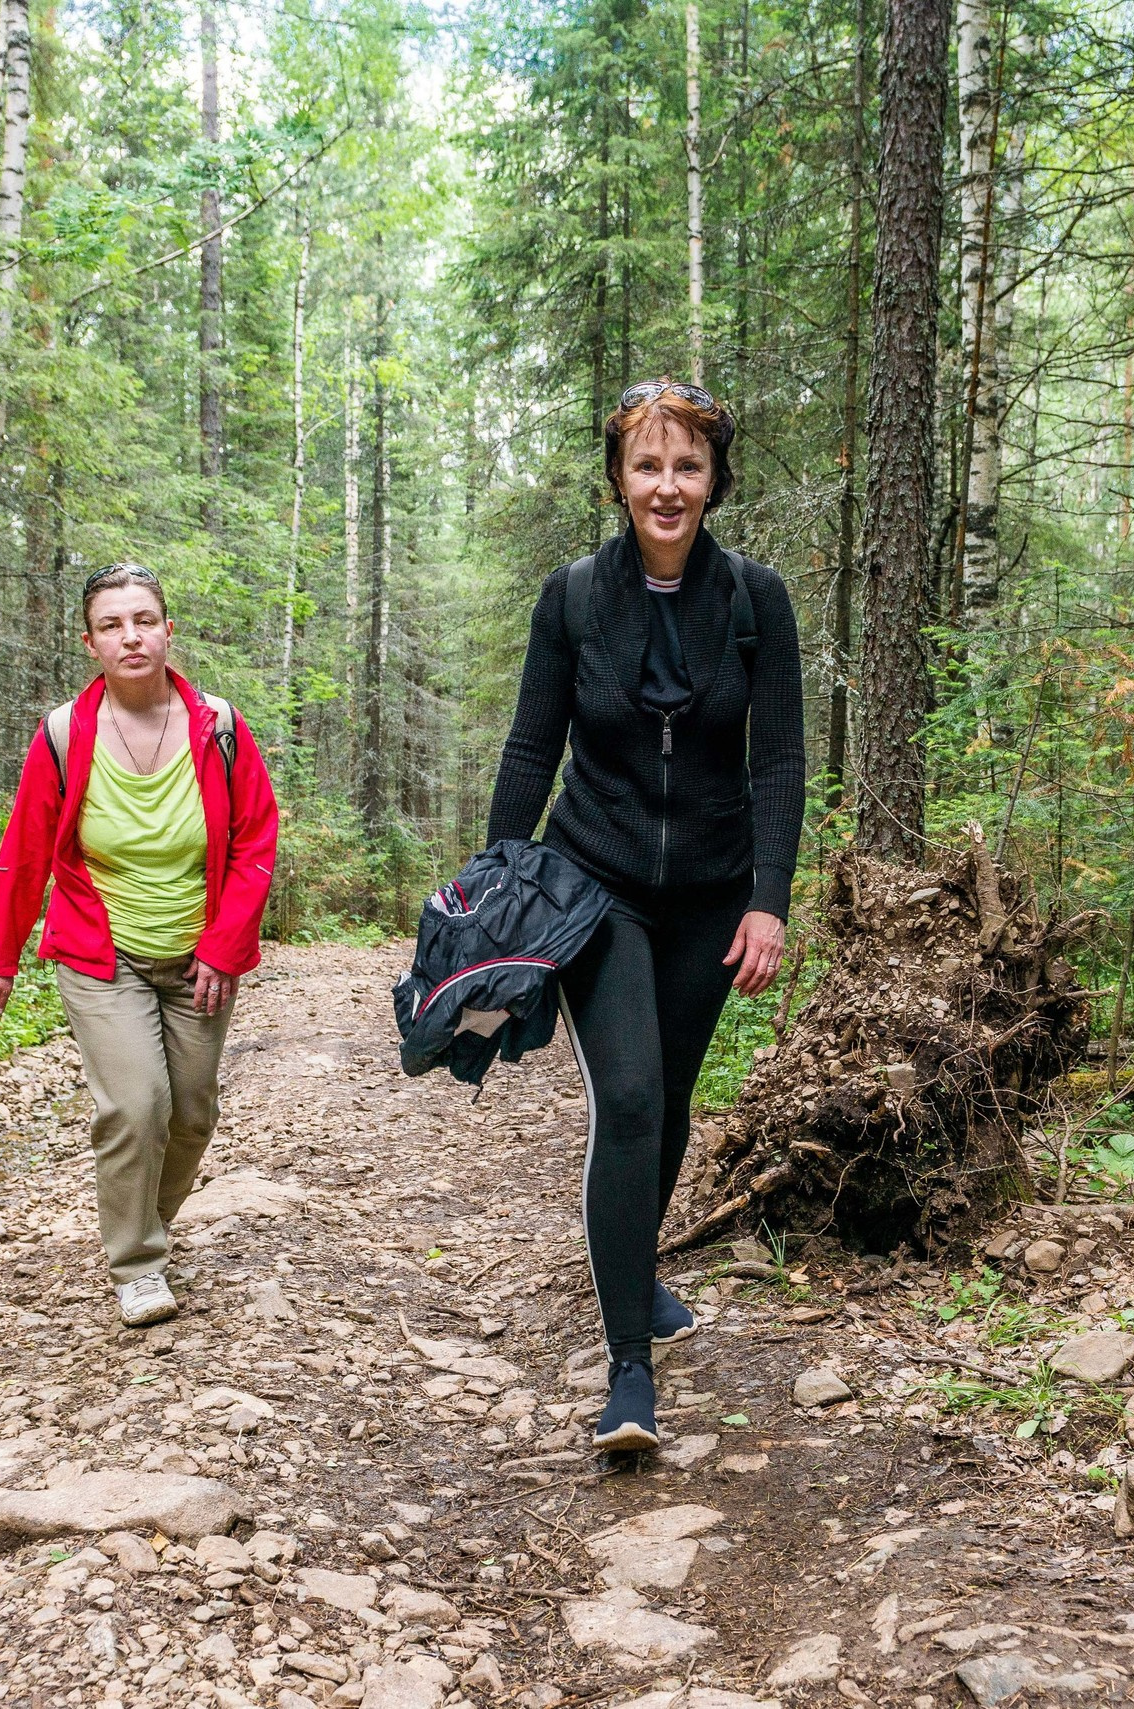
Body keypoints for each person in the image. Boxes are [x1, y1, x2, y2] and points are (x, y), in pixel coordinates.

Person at [486, 379, 806, 1449]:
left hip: (713, 894)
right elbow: (534, 746)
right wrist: (502, 878)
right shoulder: (573, 595)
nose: (666, 486)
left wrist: (768, 901)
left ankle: (636, 1269)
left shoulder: (756, 601)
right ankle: (630, 1365)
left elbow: (779, 762)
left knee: (666, 1102)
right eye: (646, 465)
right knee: (626, 1096)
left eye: (687, 467)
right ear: (617, 478)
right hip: (596, 882)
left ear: (714, 481)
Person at [0, 563, 279, 1328]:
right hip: (99, 953)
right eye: (112, 625)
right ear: (90, 643)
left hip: (199, 956)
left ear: (168, 630)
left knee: (193, 1114)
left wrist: (223, 944)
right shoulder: (65, 735)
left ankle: (149, 1220)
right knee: (136, 1105)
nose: (130, 635)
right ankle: (137, 1262)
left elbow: (255, 843)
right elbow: (25, 850)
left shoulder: (219, 727)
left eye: (143, 619)